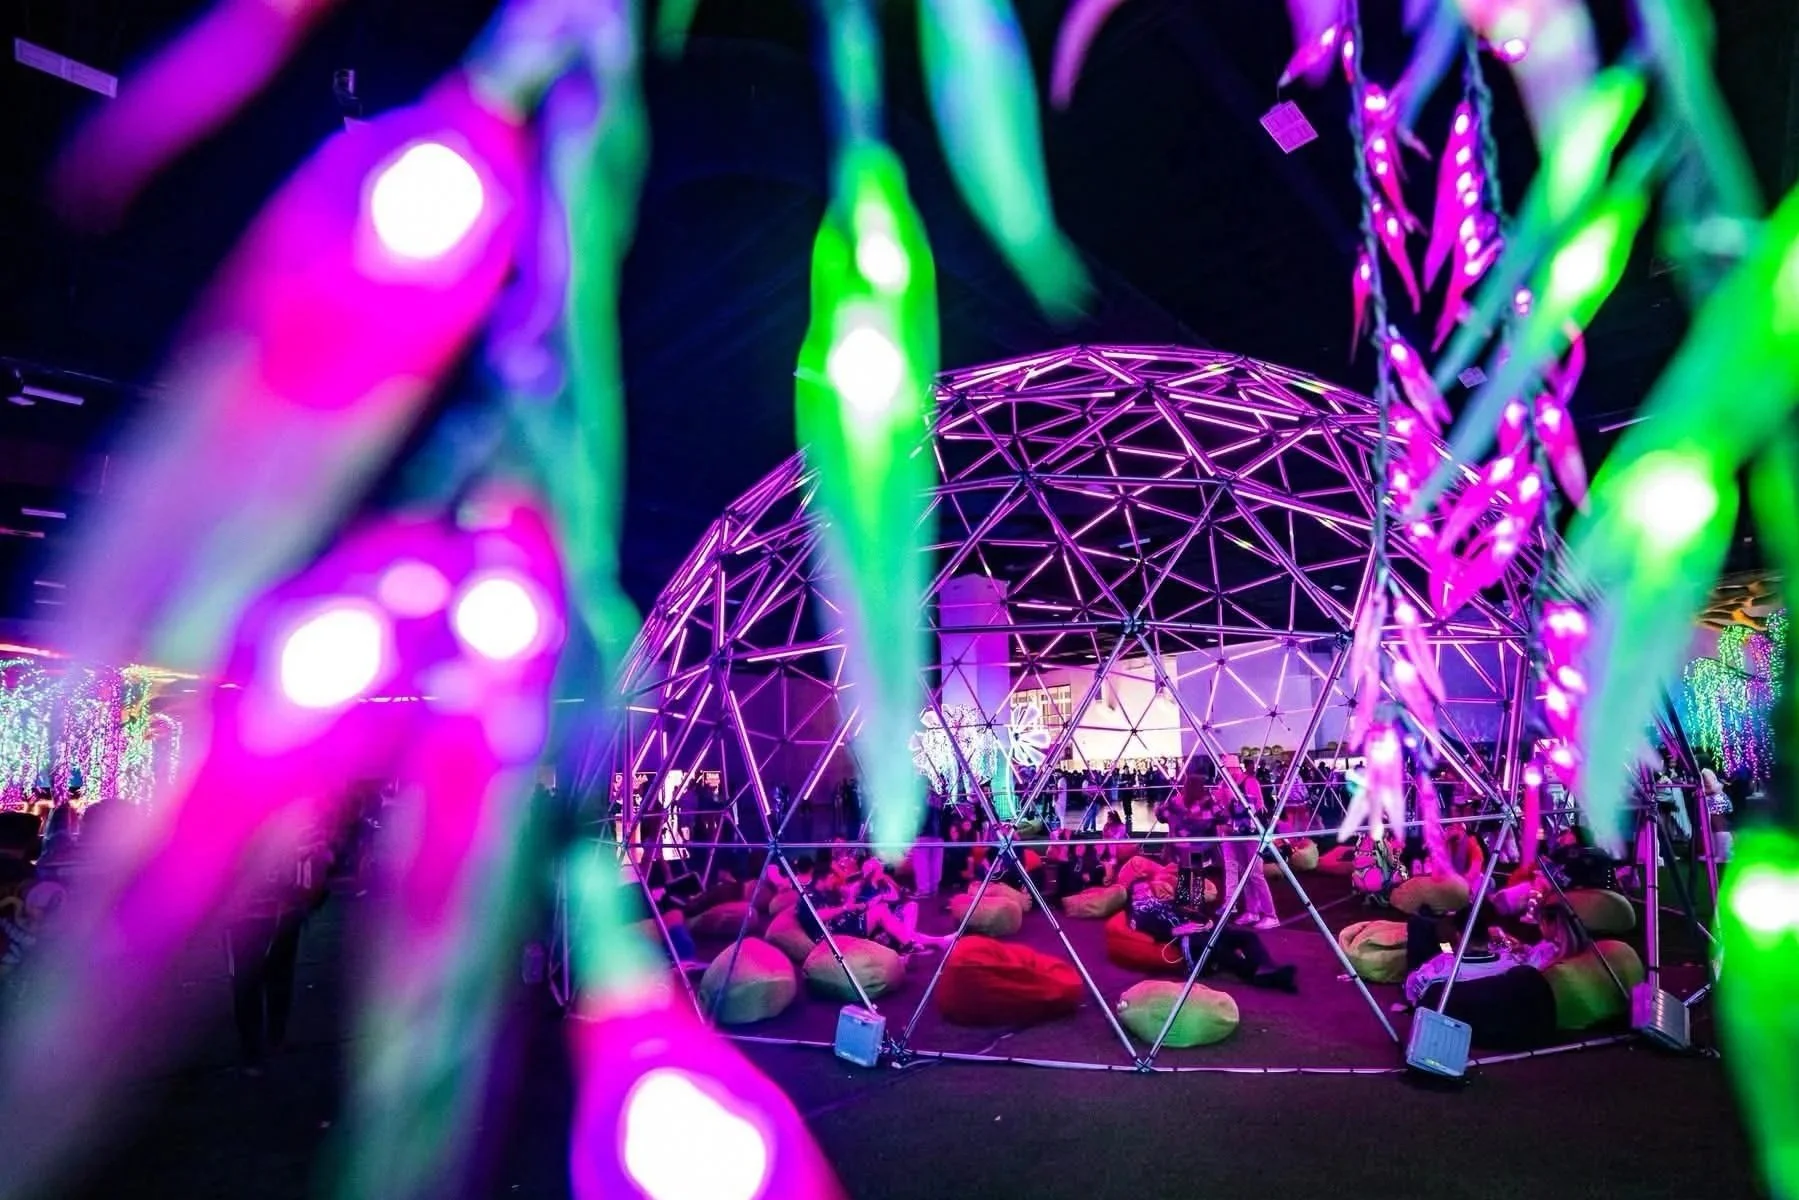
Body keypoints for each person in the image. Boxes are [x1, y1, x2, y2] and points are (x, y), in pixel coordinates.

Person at [225, 824, 331, 1075]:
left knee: (276, 975)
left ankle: (271, 1040)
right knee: (249, 980)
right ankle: (255, 1050)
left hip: (280, 912)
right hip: (247, 915)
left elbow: (315, 851)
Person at [1124, 880, 1296, 991]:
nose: (1146, 893)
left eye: (1147, 889)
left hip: (1200, 931)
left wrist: (1206, 920)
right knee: (1215, 947)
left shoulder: (1165, 902)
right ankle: (1256, 975)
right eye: (1140, 891)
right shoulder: (1138, 914)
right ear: (1132, 897)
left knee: (1246, 937)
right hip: (1185, 941)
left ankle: (1269, 968)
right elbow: (1145, 931)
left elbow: (1190, 912)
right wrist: (1175, 931)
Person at [1214, 757, 1279, 930]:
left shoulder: (1249, 782)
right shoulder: (1226, 785)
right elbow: (1224, 808)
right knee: (1246, 874)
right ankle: (1252, 911)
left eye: (1226, 770)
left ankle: (1270, 914)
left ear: (1234, 769)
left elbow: (1254, 807)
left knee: (1256, 875)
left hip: (1251, 833)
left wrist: (1229, 809)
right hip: (1237, 833)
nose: (1224, 774)